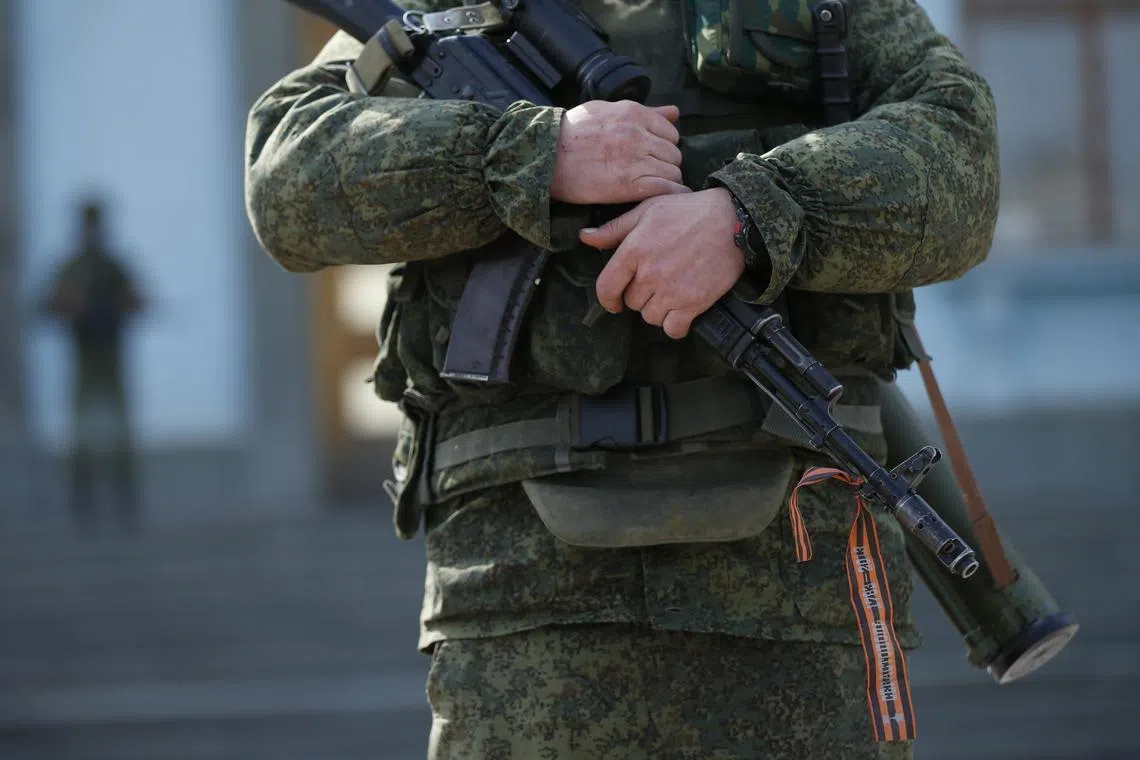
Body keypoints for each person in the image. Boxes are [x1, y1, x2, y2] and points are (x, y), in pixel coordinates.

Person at [244, 0, 998, 754]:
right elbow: (285, 177)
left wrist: (750, 217)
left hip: (801, 588)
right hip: (522, 604)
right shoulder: (456, 10)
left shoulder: (817, 8)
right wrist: (534, 155)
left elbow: (961, 150)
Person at [44, 199, 144, 532]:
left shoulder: (113, 266)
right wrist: (71, 306)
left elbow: (134, 300)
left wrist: (125, 305)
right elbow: (50, 306)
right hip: (85, 356)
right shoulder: (73, 268)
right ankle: (82, 504)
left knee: (120, 433)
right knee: (82, 435)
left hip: (111, 356)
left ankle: (125, 501)